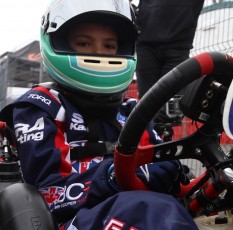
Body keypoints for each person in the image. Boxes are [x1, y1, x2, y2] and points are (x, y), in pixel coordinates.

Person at [0, 0, 197, 229]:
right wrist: (113, 176)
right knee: (150, 210)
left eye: (109, 46)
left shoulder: (132, 110)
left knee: (162, 209)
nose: (99, 55)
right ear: (58, 42)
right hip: (68, 220)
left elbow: (157, 167)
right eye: (84, 43)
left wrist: (175, 174)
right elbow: (48, 195)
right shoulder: (40, 106)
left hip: (134, 210)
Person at [134, 0, 205, 135]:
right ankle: (148, 141)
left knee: (170, 110)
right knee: (146, 104)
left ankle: (157, 140)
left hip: (178, 48)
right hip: (146, 46)